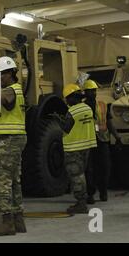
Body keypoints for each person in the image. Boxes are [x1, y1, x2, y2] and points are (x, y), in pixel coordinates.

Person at [0, 56, 27, 237]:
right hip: (15, 138)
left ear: (11, 73)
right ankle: (19, 221)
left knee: (2, 180)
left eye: (1, 74)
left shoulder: (12, 90)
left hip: (10, 139)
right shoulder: (13, 89)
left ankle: (7, 222)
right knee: (14, 180)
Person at [54, 84, 97, 214]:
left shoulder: (72, 111)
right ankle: (84, 199)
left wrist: (57, 119)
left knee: (76, 176)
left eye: (67, 98)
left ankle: (81, 203)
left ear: (73, 98)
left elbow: (67, 127)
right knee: (82, 174)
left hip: (74, 147)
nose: (66, 101)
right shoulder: (87, 108)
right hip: (86, 146)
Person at [83, 79, 122, 204]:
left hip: (102, 140)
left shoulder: (102, 105)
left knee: (105, 167)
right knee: (90, 169)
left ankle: (103, 191)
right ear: (85, 92)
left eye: (94, 91)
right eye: (89, 91)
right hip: (88, 141)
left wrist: (117, 137)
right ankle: (90, 194)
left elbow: (109, 122)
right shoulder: (82, 107)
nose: (92, 93)